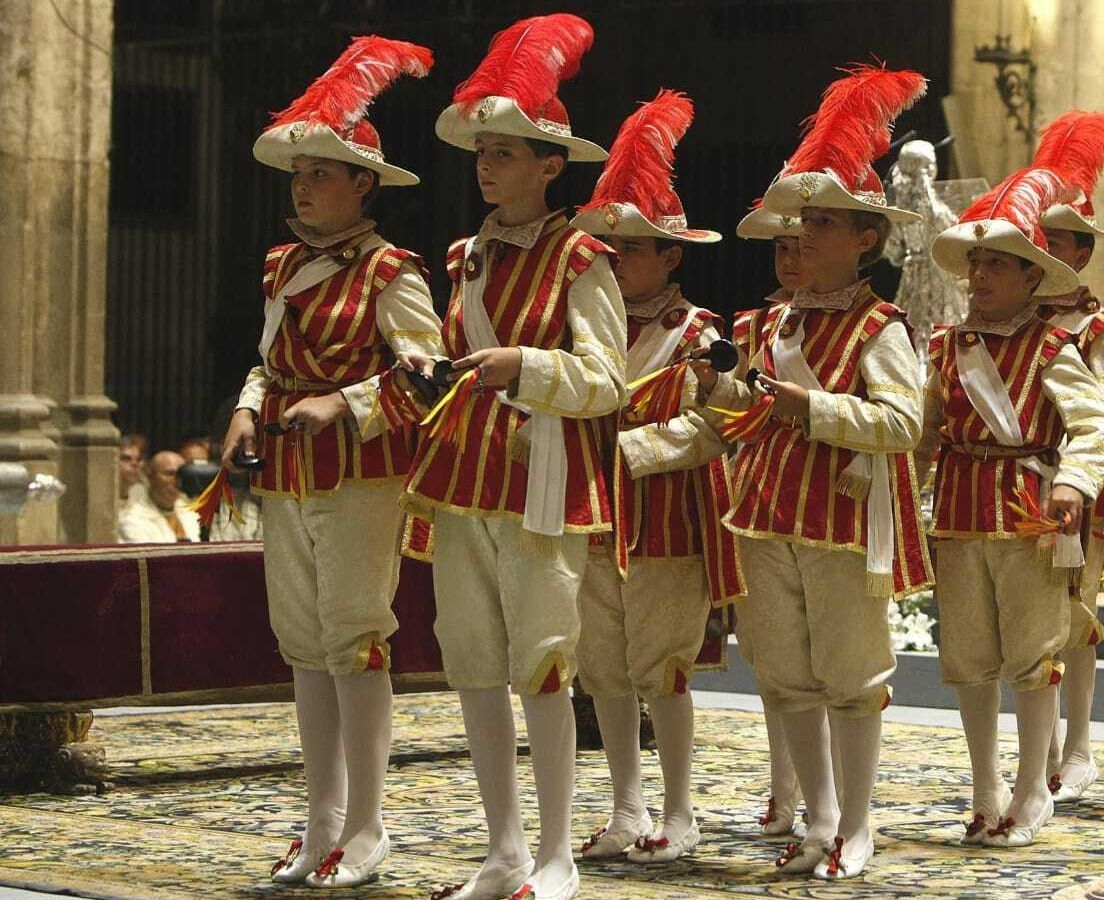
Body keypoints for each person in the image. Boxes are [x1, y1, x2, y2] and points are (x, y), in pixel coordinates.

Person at [404, 15, 620, 900]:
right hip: (462, 477)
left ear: (549, 165)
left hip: (544, 481)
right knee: (474, 661)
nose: (488, 167)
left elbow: (609, 381)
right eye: (483, 152)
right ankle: (501, 849)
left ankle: (559, 852)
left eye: (507, 152)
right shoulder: (464, 258)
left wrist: (521, 365)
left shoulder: (583, 257)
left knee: (541, 658)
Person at [221, 36, 440, 888]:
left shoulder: (394, 271)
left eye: (320, 173)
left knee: (354, 639)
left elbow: (427, 377)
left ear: (363, 184)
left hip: (362, 473)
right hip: (286, 468)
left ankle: (369, 824)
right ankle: (319, 824)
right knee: (302, 644)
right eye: (298, 173)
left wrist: (340, 404)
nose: (303, 186)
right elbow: (267, 358)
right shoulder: (282, 265)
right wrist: (248, 408)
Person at [705, 63, 930, 880]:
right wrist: (719, 386)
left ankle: (860, 823)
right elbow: (749, 411)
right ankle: (819, 815)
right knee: (786, 673)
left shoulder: (883, 328)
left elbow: (904, 425)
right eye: (804, 223)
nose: (805, 238)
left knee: (850, 674)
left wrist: (815, 409)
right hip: (764, 510)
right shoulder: (775, 321)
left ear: (865, 238)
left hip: (842, 516)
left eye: (826, 225)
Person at [566, 89, 739, 865]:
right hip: (592, 516)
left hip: (667, 521)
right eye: (604, 249)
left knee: (661, 668)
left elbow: (724, 424)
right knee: (600, 666)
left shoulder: (701, 334)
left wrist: (637, 451)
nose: (614, 261)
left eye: (631, 249)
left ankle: (679, 809)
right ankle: (626, 807)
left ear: (671, 256)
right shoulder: (577, 325)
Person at [919, 166, 1104, 847]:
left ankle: (1034, 786)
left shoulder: (1054, 347)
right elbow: (926, 431)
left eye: (998, 265)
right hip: (957, 515)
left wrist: (1073, 483)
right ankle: (984, 786)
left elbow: (1096, 425)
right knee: (968, 658)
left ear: (1033, 278)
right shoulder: (947, 347)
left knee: (1033, 657)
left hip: (1030, 516)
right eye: (976, 265)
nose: (981, 278)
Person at [1030, 109, 1104, 803]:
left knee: (1074, 621)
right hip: (1014, 492)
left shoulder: (1097, 330)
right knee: (1027, 625)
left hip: (1075, 492)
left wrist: (1069, 460)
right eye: (1038, 239)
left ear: (1080, 254)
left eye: (1059, 243)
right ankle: (1036, 748)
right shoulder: (1011, 323)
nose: (1046, 252)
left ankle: (1078, 747)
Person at [723, 203, 811, 840]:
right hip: (758, 494)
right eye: (779, 248)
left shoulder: (867, 325)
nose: (788, 260)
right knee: (771, 658)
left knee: (830, 662)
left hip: (829, 498)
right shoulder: (757, 324)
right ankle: (785, 788)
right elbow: (738, 409)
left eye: (800, 246)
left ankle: (827, 794)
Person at [117, 450, 200, 542]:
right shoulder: (132, 520)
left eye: (181, 475)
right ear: (150, 475)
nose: (176, 481)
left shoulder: (193, 513)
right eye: (169, 474)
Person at [118, 432, 148, 506]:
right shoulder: (99, 497)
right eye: (126, 459)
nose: (135, 464)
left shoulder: (143, 495)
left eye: (138, 459)